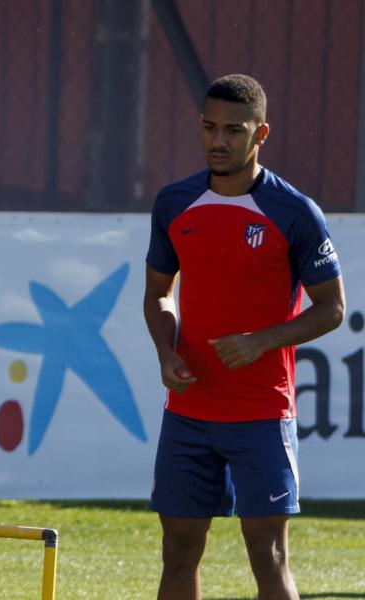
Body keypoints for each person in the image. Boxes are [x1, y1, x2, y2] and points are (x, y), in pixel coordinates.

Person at [143, 74, 345, 600]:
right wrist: (166, 352)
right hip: (187, 411)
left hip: (261, 412)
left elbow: (332, 309)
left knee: (269, 556)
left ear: (261, 134)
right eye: (210, 127)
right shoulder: (173, 202)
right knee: (178, 554)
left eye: (234, 130)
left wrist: (261, 340)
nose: (218, 140)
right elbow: (158, 295)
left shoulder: (295, 212)